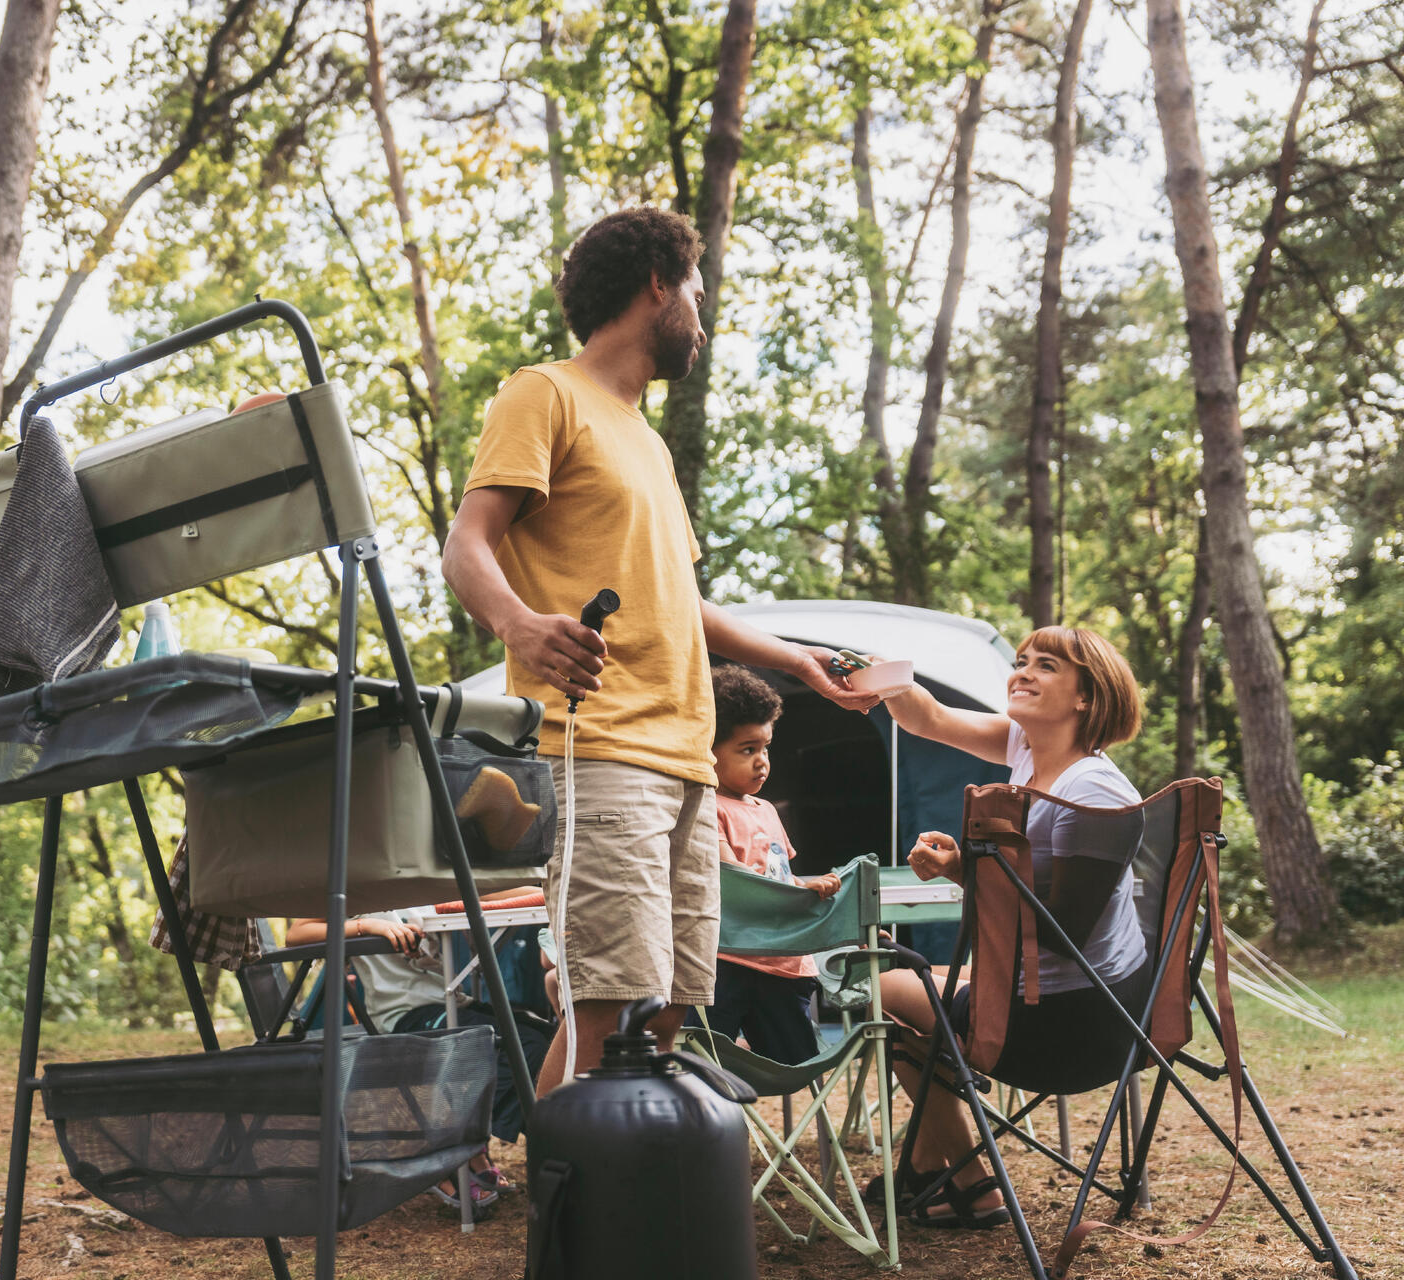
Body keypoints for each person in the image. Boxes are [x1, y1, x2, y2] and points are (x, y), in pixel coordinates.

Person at [440, 207, 876, 1095]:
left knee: (673, 1003)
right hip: (600, 748)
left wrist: (796, 662)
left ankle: (614, 1188)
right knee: (606, 999)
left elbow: (682, 602)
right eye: (698, 293)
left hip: (684, 761)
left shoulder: (646, 441)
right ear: (656, 285)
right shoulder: (545, 394)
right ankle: (572, 1216)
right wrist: (522, 626)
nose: (704, 316)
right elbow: (467, 544)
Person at [868, 625, 1147, 1229]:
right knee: (917, 992)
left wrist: (968, 870)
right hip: (1056, 993)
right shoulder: (1026, 749)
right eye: (1021, 661)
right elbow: (929, 719)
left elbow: (1061, 927)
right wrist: (881, 681)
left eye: (1045, 666)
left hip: (1066, 1020)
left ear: (1087, 697)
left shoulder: (1092, 789)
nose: (1020, 672)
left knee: (879, 991)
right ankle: (931, 1175)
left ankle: (967, 1178)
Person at [283, 897, 551, 1218]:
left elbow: (500, 890)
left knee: (542, 1037)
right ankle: (452, 1149)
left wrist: (554, 883)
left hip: (450, 1000)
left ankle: (468, 1143)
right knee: (518, 1045)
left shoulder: (426, 878)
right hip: (406, 1013)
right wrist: (366, 926)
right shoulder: (359, 878)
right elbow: (296, 933)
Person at [706, 664, 841, 1062]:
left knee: (797, 1058)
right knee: (712, 1059)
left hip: (784, 962)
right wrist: (803, 890)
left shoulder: (766, 809)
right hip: (730, 960)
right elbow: (735, 880)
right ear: (705, 751)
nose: (762, 761)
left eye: (765, 748)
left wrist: (803, 886)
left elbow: (777, 874)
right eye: (747, 750)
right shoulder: (706, 807)